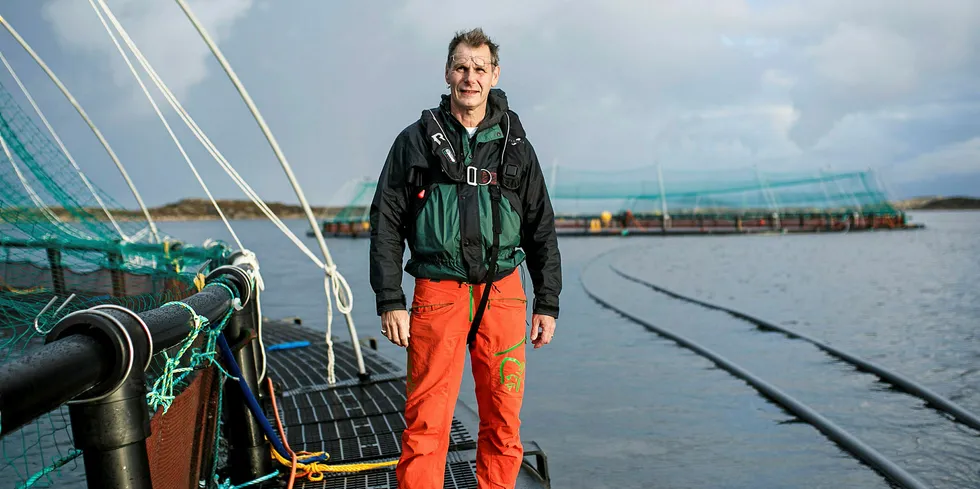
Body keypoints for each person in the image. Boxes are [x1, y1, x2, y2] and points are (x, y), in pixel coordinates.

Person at [369, 27, 562, 489]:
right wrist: (390, 298)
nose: (469, 77)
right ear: (447, 72)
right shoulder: (414, 141)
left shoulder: (517, 144)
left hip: (504, 296)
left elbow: (541, 226)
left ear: (495, 74)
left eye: (479, 68)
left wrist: (548, 302)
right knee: (426, 423)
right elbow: (386, 223)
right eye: (461, 67)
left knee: (503, 421)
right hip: (438, 293)